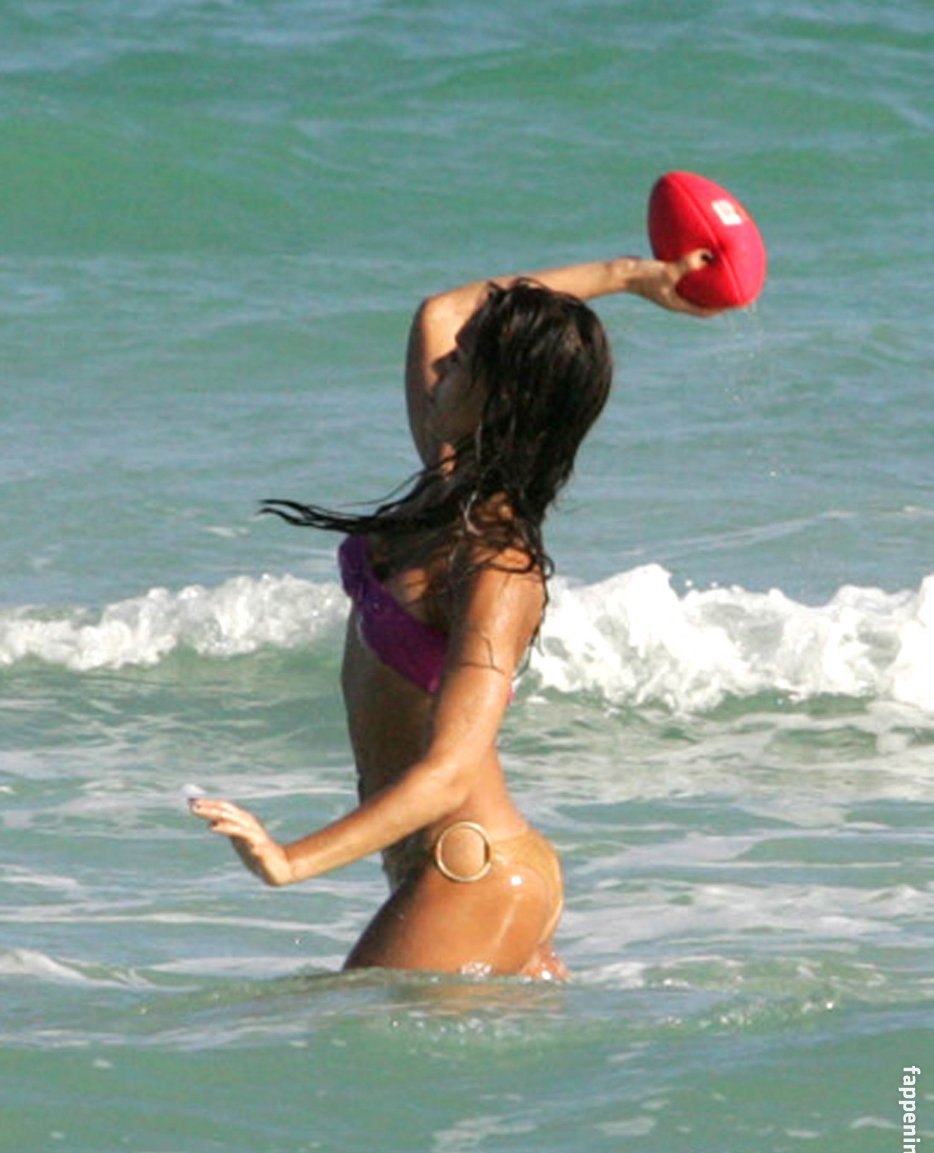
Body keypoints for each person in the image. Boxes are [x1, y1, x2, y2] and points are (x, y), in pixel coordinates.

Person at [190, 250, 712, 979]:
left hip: (473, 874)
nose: (440, 366)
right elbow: (445, 309)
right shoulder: (442, 490)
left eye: (460, 363)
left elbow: (450, 768)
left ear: (500, 398)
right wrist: (627, 275)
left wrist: (291, 861)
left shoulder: (497, 567)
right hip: (445, 872)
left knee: (328, 1043)